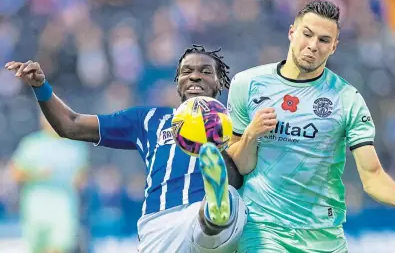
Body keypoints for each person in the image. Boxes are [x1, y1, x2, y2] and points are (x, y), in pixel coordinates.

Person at [226, 0, 395, 252]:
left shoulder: (347, 98)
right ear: (291, 32)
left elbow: (371, 176)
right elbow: (238, 166)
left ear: (334, 47)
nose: (312, 46)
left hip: (324, 235)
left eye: (323, 40)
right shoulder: (247, 84)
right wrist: (251, 135)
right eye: (307, 34)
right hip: (264, 230)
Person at [5, 44, 247, 253]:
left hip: (210, 221)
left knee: (230, 205)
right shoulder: (149, 119)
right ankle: (216, 211)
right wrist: (41, 87)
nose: (195, 76)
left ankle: (214, 211)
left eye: (206, 71)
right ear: (178, 82)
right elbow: (71, 125)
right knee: (226, 208)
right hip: (162, 223)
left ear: (220, 82)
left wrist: (253, 135)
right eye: (187, 71)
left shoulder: (240, 124)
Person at [9, 113, 89, 253]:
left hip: (63, 208)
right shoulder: (31, 144)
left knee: (59, 247)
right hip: (35, 208)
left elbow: (81, 178)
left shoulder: (75, 147)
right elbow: (15, 174)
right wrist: (38, 174)